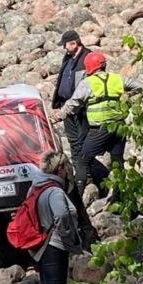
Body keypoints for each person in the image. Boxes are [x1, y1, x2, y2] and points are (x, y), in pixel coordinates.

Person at [53, 51, 143, 196]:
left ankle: (77, 198)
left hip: (100, 129)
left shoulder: (88, 83)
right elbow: (140, 87)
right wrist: (128, 97)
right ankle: (121, 196)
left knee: (83, 160)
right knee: (117, 162)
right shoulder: (117, 79)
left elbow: (72, 104)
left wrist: (57, 117)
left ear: (89, 68)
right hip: (119, 127)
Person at [28, 152, 89, 284]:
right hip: (55, 246)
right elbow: (62, 214)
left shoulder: (36, 185)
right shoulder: (54, 190)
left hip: (39, 246)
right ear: (60, 169)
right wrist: (69, 236)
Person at [51, 30, 93, 181]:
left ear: (75, 43)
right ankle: (79, 168)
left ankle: (86, 172)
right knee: (73, 139)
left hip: (80, 107)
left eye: (66, 44)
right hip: (66, 105)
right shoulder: (68, 57)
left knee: (82, 139)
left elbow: (88, 85)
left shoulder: (87, 58)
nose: (64, 48)